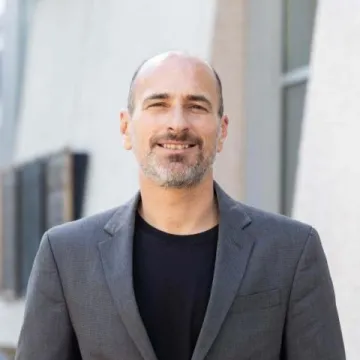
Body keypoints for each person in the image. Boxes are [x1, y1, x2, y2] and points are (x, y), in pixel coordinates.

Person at [15, 51, 346, 360]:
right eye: (158, 104)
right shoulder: (66, 255)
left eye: (197, 106)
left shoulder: (291, 251)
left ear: (222, 130)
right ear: (125, 127)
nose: (177, 123)